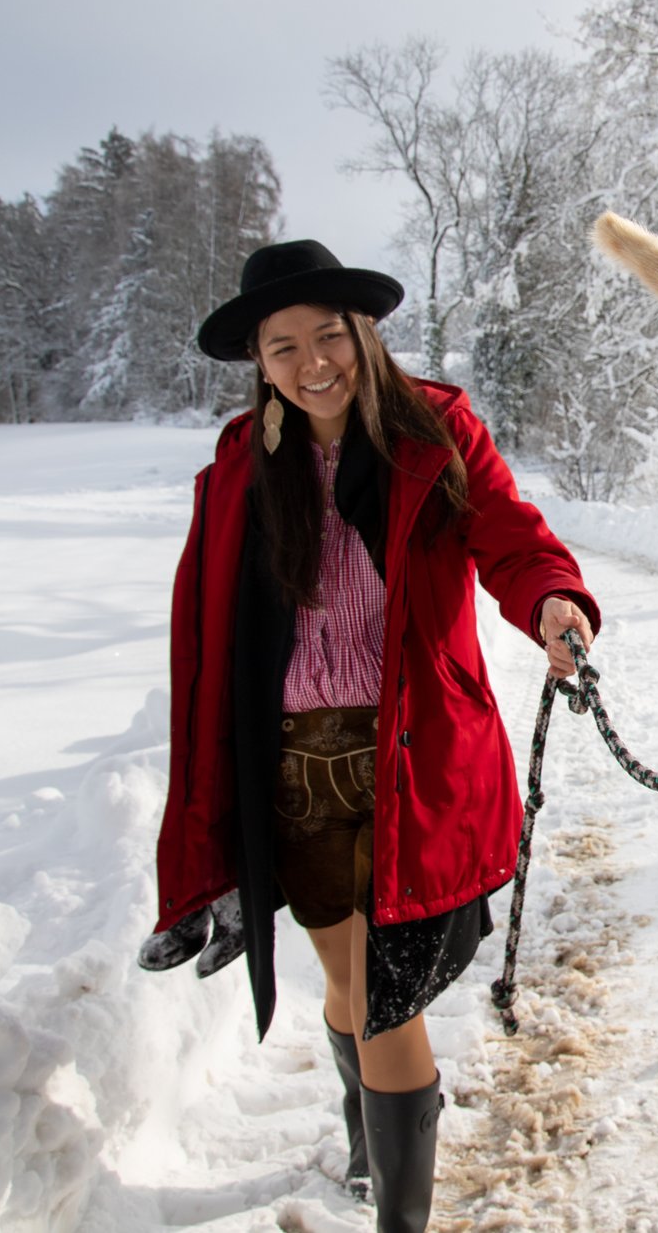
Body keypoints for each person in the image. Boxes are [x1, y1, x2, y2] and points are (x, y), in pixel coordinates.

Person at [137, 239, 599, 1233]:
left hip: (411, 763)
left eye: (328, 337)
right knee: (348, 986)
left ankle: (398, 1212)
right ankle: (368, 1140)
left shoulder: (435, 432)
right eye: (282, 347)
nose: (312, 362)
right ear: (258, 362)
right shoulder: (238, 469)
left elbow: (512, 540)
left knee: (388, 1001)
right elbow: (204, 636)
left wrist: (554, 600)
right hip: (295, 774)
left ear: (364, 334)